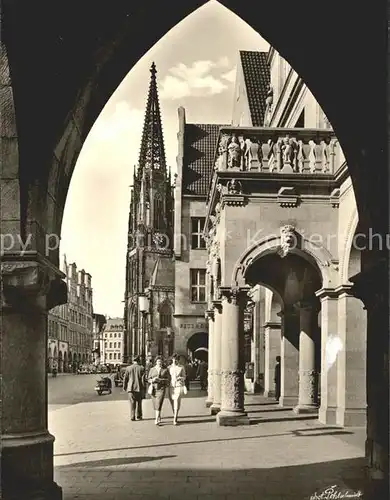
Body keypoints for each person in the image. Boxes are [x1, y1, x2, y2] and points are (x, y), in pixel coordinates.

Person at [148, 356, 169, 425]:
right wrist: (152, 380)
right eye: (158, 361)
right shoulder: (152, 369)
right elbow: (148, 379)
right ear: (156, 362)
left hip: (161, 389)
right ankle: (159, 416)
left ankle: (156, 419)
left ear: (162, 362)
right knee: (155, 404)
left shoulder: (165, 370)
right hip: (153, 389)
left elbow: (168, 380)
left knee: (159, 403)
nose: (159, 362)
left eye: (160, 361)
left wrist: (160, 380)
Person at [123, 356, 145, 421]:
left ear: (133, 361)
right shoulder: (141, 368)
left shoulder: (128, 368)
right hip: (139, 388)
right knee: (139, 402)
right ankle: (139, 415)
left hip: (130, 388)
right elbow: (143, 380)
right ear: (139, 361)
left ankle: (132, 416)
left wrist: (124, 387)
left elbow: (125, 379)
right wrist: (144, 388)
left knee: (132, 402)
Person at [168, 353, 186, 426]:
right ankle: (175, 413)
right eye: (173, 359)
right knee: (172, 401)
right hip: (171, 386)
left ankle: (175, 418)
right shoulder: (169, 368)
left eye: (176, 360)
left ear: (178, 360)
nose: (175, 361)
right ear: (172, 360)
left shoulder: (181, 367)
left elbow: (184, 377)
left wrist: (181, 378)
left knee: (177, 401)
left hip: (178, 386)